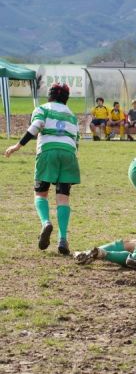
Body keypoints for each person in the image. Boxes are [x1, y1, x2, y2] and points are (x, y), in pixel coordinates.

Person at [4, 83, 79, 255]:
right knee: (63, 198)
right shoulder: (72, 115)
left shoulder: (42, 108)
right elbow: (76, 139)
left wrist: (18, 145)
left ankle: (46, 223)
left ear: (50, 95)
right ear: (66, 98)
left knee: (41, 193)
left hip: (48, 152)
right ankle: (62, 239)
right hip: (69, 154)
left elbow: (36, 126)